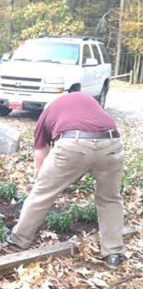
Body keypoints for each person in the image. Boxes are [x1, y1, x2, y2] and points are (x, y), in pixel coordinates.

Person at [7, 92, 126, 269]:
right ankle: (114, 253)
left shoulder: (45, 115)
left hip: (74, 143)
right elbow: (94, 131)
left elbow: (41, 155)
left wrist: (41, 179)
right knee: (110, 198)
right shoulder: (84, 98)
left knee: (41, 194)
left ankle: (19, 239)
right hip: (112, 142)